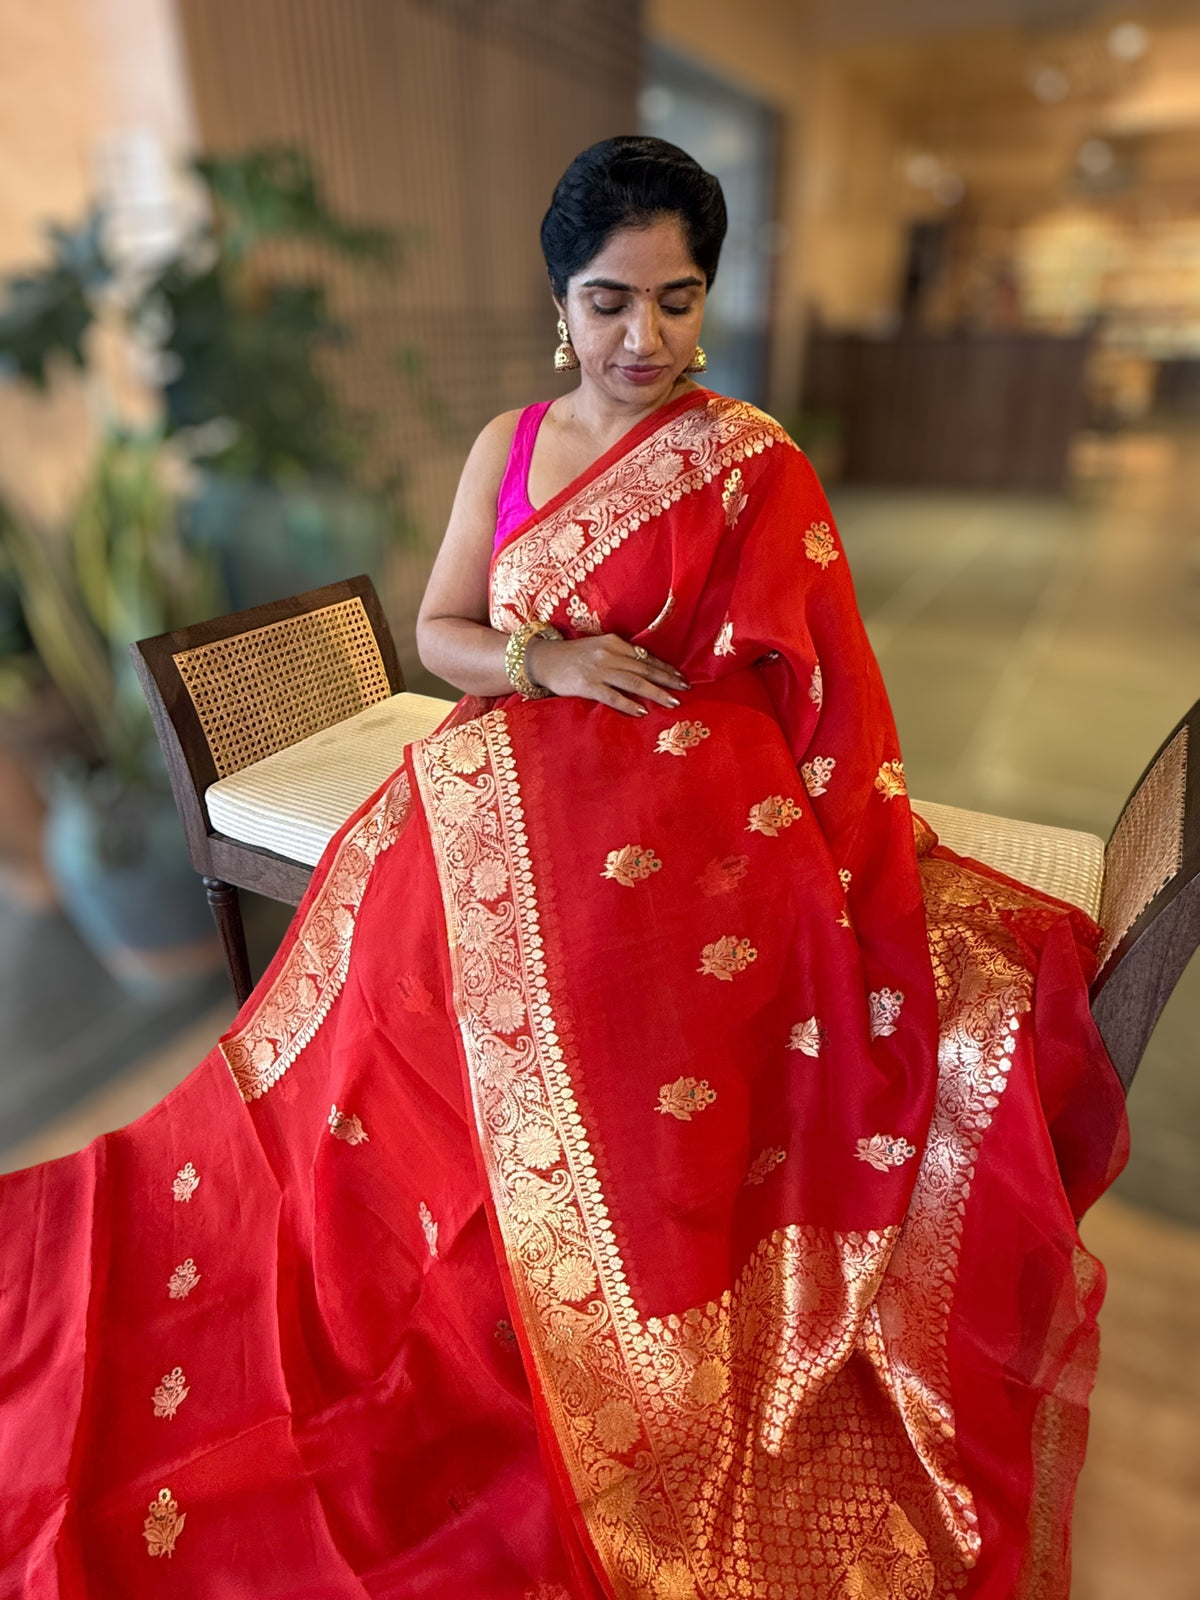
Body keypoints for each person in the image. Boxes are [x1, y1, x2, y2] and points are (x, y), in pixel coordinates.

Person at [0, 137, 1126, 1599]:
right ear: (562, 301)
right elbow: (446, 632)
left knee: (634, 1011)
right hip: (511, 769)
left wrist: (809, 846)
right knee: (395, 975)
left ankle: (598, 1285)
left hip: (706, 811)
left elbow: (826, 691)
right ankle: (439, 1247)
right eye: (609, 301)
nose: (642, 339)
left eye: (676, 299)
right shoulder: (510, 447)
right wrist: (554, 659)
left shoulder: (751, 459)